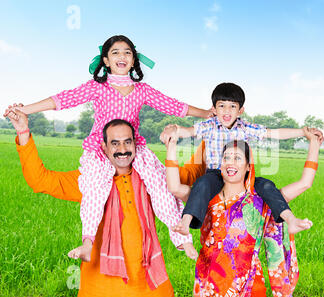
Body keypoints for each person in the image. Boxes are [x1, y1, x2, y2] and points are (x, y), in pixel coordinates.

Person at [6, 35, 212, 262]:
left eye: (127, 52)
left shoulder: (141, 90)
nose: (122, 56)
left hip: (134, 149)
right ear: (105, 60)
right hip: (100, 149)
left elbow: (174, 105)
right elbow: (62, 100)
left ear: (134, 60)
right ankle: (87, 242)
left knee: (161, 187)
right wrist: (26, 109)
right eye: (115, 52)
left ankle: (182, 239)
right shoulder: (97, 87)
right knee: (93, 189)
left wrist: (206, 113)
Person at [5, 108, 205, 297]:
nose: (122, 150)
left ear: (136, 143)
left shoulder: (153, 178)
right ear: (104, 147)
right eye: (115, 143)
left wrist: (219, 130)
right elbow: (40, 180)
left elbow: (191, 173)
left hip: (150, 285)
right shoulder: (90, 182)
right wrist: (23, 131)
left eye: (127, 142)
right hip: (99, 289)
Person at [163, 128, 321, 297]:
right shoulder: (207, 197)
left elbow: (305, 183)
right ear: (220, 164)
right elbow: (174, 188)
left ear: (248, 166)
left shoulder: (260, 201)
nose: (230, 163)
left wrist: (314, 143)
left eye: (237, 158)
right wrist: (171, 146)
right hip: (208, 283)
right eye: (226, 158)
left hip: (249, 286)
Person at [161, 82, 323, 237]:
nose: (226, 111)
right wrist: (172, 131)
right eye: (221, 105)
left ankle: (291, 219)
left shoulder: (245, 128)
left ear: (240, 110)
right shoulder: (208, 126)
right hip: (216, 174)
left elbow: (274, 133)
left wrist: (303, 132)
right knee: (202, 183)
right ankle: (185, 221)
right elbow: (186, 131)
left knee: (266, 185)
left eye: (232, 106)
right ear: (214, 109)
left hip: (242, 176)